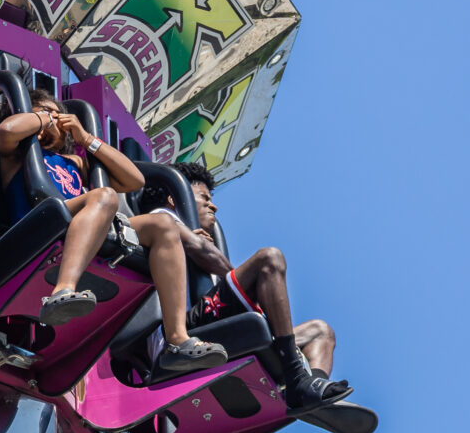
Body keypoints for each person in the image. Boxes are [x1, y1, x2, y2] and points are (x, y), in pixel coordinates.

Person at [0, 89, 226, 370]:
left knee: (162, 225)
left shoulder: (76, 162)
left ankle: (176, 338)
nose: (55, 118)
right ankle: (63, 290)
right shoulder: (17, 155)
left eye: (58, 113)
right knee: (103, 196)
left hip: (85, 226)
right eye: (45, 112)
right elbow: (6, 130)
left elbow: (134, 180)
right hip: (38, 226)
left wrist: (86, 139)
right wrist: (42, 118)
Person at [138, 161, 352, 413]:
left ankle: (312, 387)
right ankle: (296, 376)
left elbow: (206, 254)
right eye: (203, 198)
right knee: (268, 260)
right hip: (178, 334)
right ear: (176, 198)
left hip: (210, 325)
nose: (213, 204)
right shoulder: (163, 218)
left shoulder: (202, 241)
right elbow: (201, 250)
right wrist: (244, 280)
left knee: (320, 331)